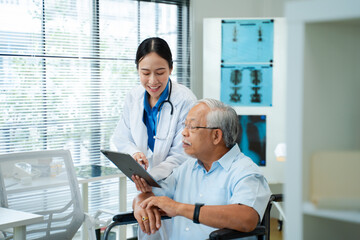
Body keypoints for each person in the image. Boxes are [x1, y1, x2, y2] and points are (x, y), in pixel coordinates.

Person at [132, 98, 271, 240]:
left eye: (192, 127)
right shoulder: (186, 168)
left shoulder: (246, 172)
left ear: (216, 136)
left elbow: (247, 218)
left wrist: (179, 208)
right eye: (184, 126)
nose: (184, 133)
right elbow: (152, 194)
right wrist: (139, 203)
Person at [111, 37, 196, 239]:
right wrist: (135, 154)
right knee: (149, 230)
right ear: (137, 70)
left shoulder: (185, 100)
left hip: (177, 185)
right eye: (145, 73)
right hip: (146, 187)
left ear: (171, 69)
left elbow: (183, 153)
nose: (152, 81)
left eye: (160, 73)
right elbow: (121, 137)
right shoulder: (134, 96)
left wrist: (149, 177)